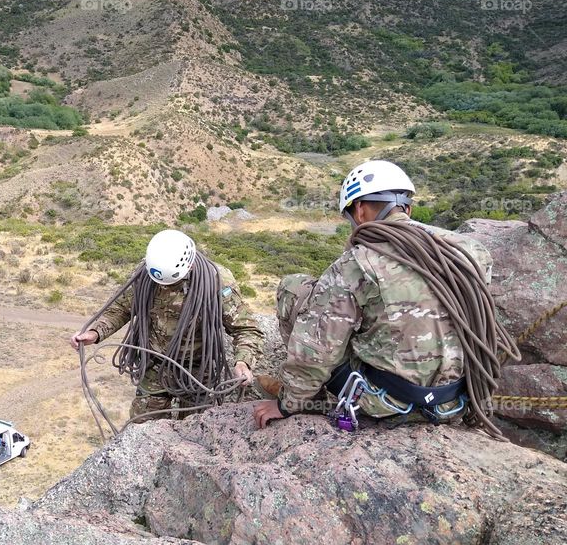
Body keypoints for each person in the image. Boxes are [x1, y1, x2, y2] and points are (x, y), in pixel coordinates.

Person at [254, 160, 499, 430]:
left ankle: (308, 399)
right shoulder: (470, 251)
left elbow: (317, 350)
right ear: (408, 207)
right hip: (454, 401)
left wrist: (287, 404)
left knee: (295, 288)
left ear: (359, 210)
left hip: (384, 402)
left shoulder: (357, 263)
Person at [71, 229, 265, 423]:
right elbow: (122, 308)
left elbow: (246, 328)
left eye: (173, 282)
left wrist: (243, 362)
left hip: (197, 370)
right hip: (155, 365)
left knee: (195, 429)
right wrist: (95, 333)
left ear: (188, 268)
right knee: (141, 426)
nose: (166, 288)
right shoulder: (145, 273)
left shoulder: (217, 280)